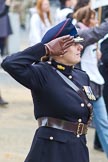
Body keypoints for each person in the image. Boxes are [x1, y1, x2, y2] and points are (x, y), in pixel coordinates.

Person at [1, 18, 95, 162]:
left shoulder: (82, 77)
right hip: (51, 151)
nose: (80, 47)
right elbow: (9, 64)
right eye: (74, 44)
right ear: (59, 48)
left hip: (78, 148)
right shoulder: (42, 74)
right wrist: (45, 48)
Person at [73, 6, 108, 157]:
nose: (96, 21)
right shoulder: (78, 33)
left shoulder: (89, 37)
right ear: (85, 19)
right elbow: (95, 33)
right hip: (86, 88)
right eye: (93, 18)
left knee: (103, 124)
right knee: (80, 125)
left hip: (95, 87)